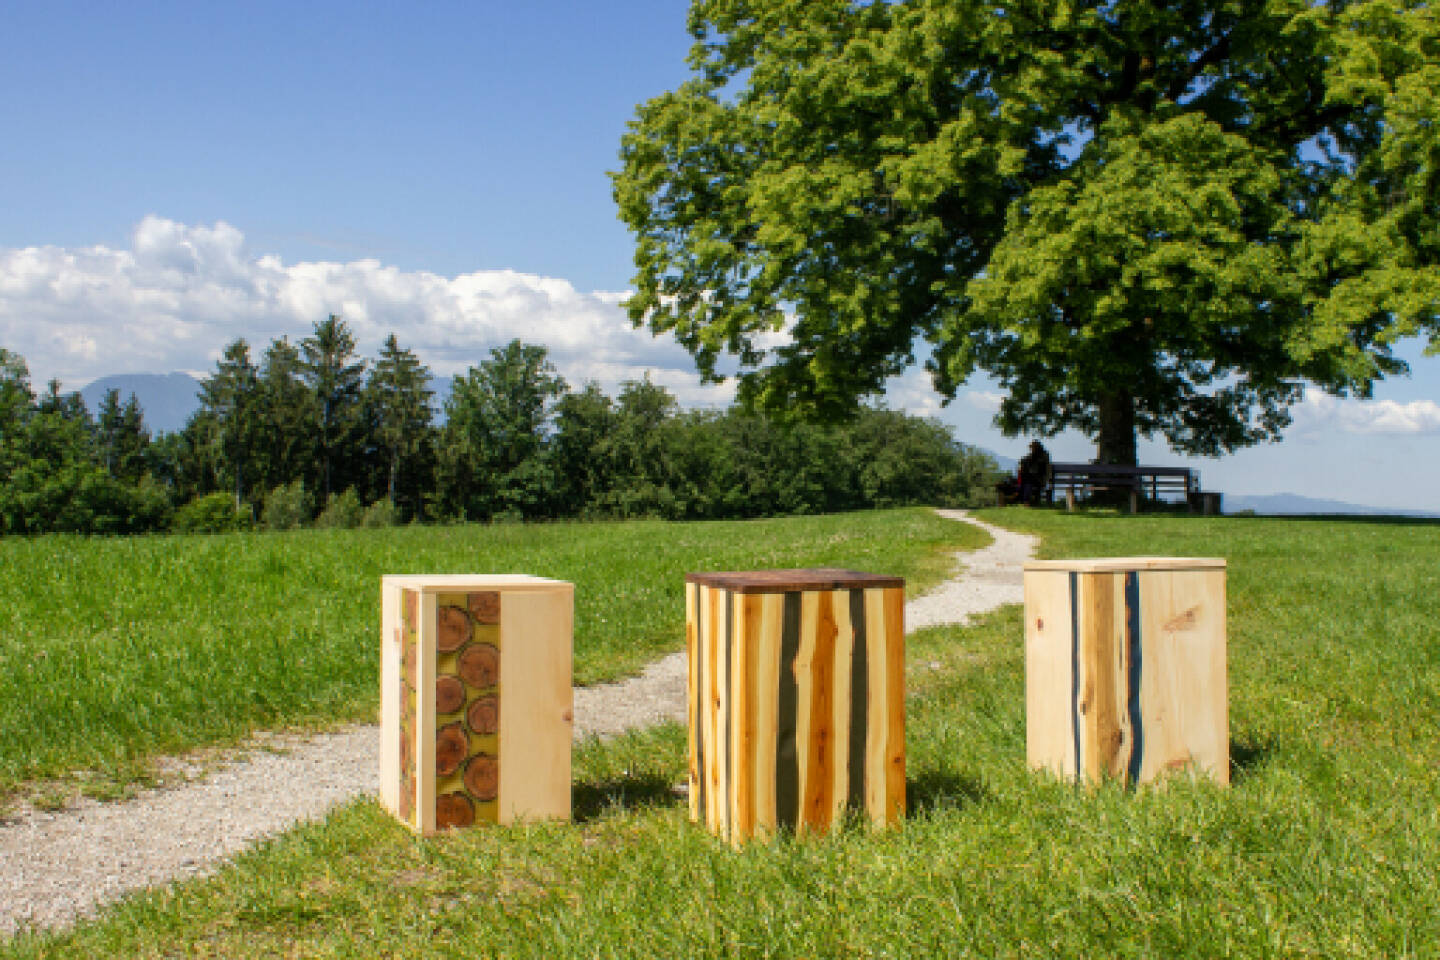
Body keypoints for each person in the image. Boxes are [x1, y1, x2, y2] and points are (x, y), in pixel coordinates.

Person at [1018, 440, 1051, 506]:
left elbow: (1041, 469)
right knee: (1025, 479)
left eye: (1032, 448)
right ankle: (1025, 500)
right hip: (1032, 479)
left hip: (1040, 479)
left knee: (1027, 480)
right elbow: (1025, 461)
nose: (1031, 449)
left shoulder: (1043, 456)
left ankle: (1025, 501)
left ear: (1036, 448)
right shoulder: (1032, 456)